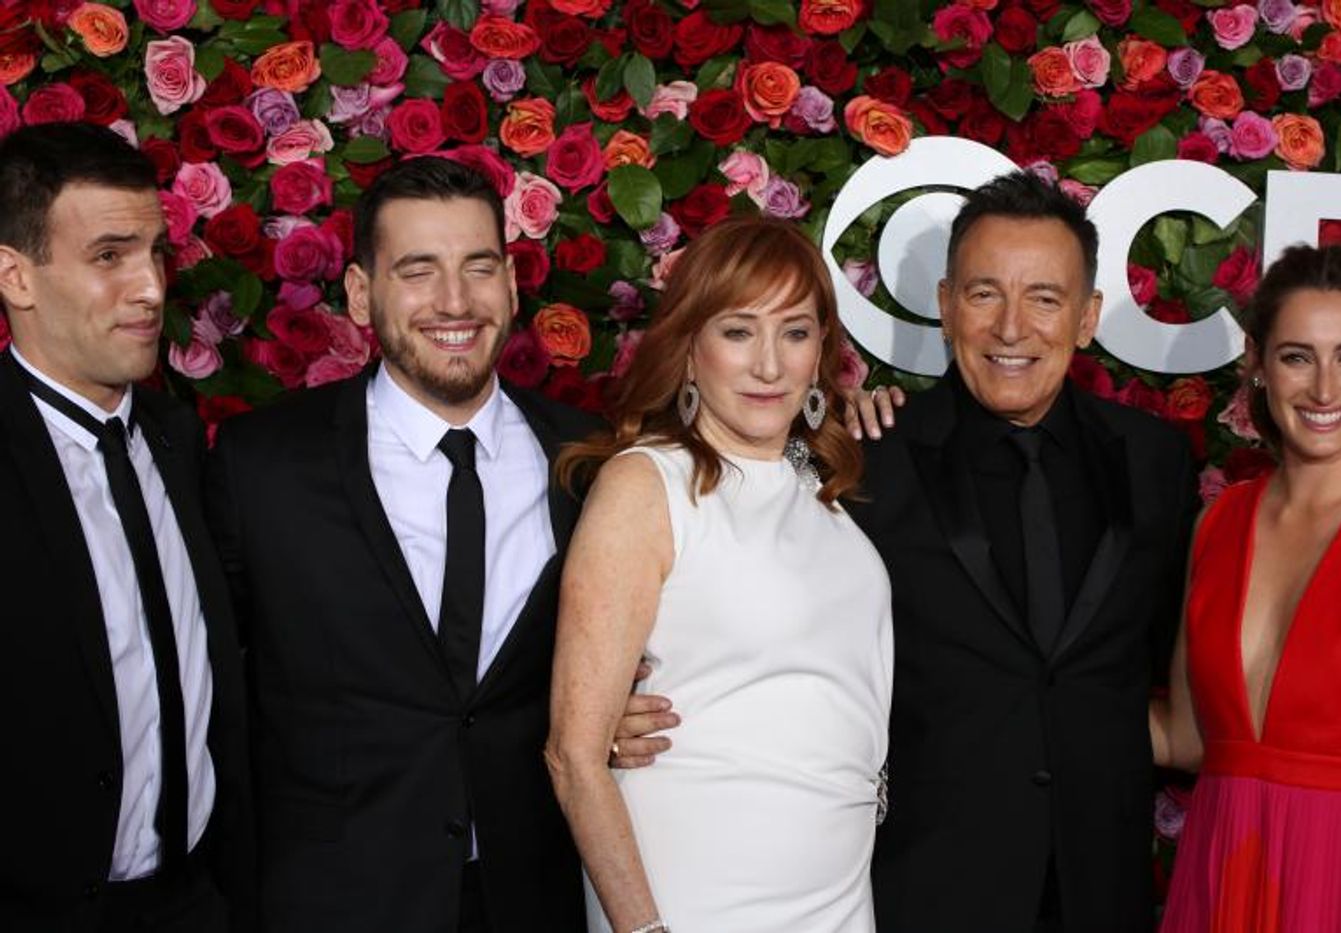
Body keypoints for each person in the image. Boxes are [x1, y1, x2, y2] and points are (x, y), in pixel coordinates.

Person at [613, 172, 1200, 931]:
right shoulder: (859, 458)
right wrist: (623, 705)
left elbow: (1173, 671)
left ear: (1087, 318)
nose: (1011, 328)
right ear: (946, 302)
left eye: (1045, 299)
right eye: (985, 293)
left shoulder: (1154, 461)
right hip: (922, 887)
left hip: (1102, 885)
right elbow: (755, 616)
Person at [204, 156, 597, 932]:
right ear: (359, 293)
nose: (455, 301)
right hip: (336, 900)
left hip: (537, 897)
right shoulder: (262, 466)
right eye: (418, 271)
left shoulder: (590, 460)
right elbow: (215, 697)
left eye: (478, 268)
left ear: (513, 286)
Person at [546, 216, 892, 933]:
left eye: (795, 332)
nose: (769, 364)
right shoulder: (645, 485)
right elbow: (574, 755)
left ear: (821, 348)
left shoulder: (815, 483)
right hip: (696, 893)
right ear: (690, 346)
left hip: (839, 894)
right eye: (738, 331)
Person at [0, 123, 254, 932]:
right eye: (109, 256)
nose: (150, 287)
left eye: (154, 252)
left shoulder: (177, 439)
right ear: (16, 277)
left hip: (199, 902)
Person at [1153, 244, 1341, 932]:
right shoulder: (1218, 523)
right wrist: (1021, 695)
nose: (1325, 388)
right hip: (1225, 869)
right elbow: (1186, 737)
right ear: (1257, 366)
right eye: (1297, 356)